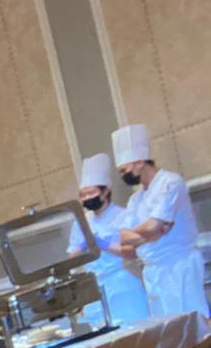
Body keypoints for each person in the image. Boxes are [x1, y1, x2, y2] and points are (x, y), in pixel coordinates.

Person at [112, 123, 209, 324]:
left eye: (124, 170)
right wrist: (151, 233)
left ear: (139, 162)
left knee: (195, 326)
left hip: (179, 265)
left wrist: (147, 231)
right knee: (168, 332)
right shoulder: (135, 199)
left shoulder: (171, 182)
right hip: (153, 272)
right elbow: (124, 237)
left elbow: (152, 227)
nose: (123, 176)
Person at [67, 152, 149, 326]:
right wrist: (83, 247)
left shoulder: (123, 215)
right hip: (94, 287)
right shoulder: (81, 222)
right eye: (83, 195)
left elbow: (132, 252)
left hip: (123, 284)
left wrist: (104, 244)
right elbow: (71, 259)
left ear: (105, 191)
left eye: (91, 193)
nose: (87, 198)